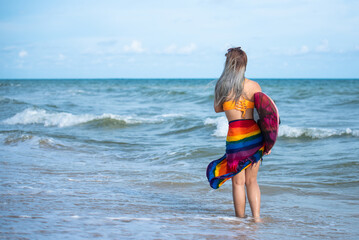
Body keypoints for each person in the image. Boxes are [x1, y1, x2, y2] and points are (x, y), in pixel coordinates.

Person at [206, 47, 270, 220]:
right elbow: (265, 115)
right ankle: (256, 219)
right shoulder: (254, 86)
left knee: (238, 182)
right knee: (252, 181)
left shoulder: (221, 86)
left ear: (228, 64)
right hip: (255, 137)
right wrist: (269, 142)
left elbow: (217, 109)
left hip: (235, 138)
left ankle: (240, 221)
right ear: (244, 65)